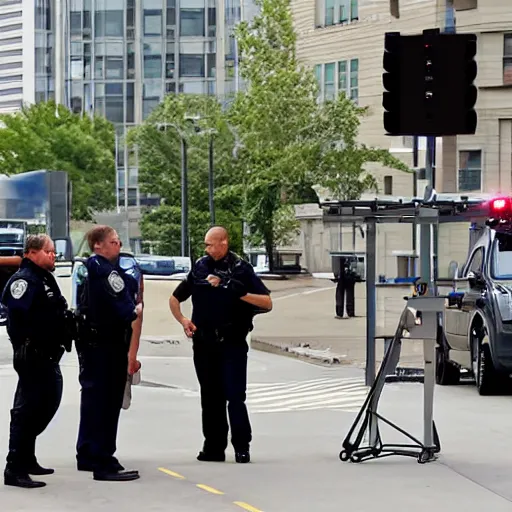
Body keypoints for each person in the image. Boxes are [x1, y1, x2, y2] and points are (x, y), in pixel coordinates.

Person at [169, 226, 272, 464]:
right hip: (204, 342)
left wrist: (239, 292)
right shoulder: (200, 267)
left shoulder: (240, 269)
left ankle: (242, 446)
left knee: (234, 395)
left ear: (223, 243)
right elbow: (176, 298)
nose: (205, 248)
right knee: (210, 396)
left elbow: (267, 302)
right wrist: (183, 320)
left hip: (232, 341)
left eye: (209, 244)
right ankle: (213, 447)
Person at [2, 234, 74, 489]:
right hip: (33, 355)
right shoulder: (24, 280)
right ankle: (14, 468)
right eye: (49, 251)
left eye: (54, 252)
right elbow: (17, 318)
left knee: (46, 404)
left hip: (48, 353)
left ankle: (27, 458)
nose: (54, 256)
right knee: (27, 410)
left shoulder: (44, 277)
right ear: (32, 252)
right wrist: (26, 345)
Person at [75, 225, 142, 482]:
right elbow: (128, 309)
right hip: (107, 345)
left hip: (94, 345)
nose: (119, 246)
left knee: (93, 401)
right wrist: (136, 307)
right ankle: (103, 460)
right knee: (107, 402)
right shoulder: (104, 270)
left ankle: (90, 453)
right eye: (114, 242)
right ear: (98, 246)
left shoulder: (89, 269)